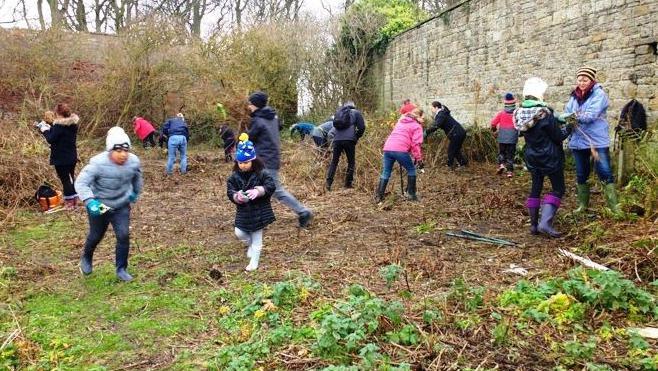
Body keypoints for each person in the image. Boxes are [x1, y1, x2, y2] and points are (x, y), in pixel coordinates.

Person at [75, 127, 143, 282]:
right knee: (96, 235)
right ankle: (86, 257)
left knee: (123, 235)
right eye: (118, 150)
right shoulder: (98, 164)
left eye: (126, 150)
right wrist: (89, 201)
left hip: (121, 205)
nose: (123, 154)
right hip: (100, 205)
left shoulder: (133, 161)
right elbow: (81, 183)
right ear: (110, 150)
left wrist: (134, 193)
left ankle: (121, 269)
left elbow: (137, 178)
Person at [514, 77, 572, 238]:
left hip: (532, 156)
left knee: (536, 188)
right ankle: (545, 223)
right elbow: (558, 136)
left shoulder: (520, 112)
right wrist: (570, 127)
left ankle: (533, 225)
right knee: (558, 188)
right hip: (549, 156)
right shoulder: (545, 114)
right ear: (539, 95)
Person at [247, 91, 313, 228]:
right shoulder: (273, 117)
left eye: (250, 103)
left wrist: (242, 134)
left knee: (275, 190)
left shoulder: (258, 121)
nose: (249, 106)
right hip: (271, 158)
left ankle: (303, 211)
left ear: (256, 105)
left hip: (264, 160)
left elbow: (249, 139)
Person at [564, 66, 620, 214]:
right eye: (580, 80)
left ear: (592, 80)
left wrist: (572, 116)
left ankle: (614, 207)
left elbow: (590, 116)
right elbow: (567, 113)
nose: (582, 83)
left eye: (585, 80)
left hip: (596, 141)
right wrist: (570, 116)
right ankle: (583, 206)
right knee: (581, 174)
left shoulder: (599, 94)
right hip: (578, 140)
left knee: (605, 172)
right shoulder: (574, 96)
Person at [227, 134, 276, 271]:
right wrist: (237, 196)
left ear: (253, 161)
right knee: (239, 233)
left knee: (257, 237)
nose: (243, 165)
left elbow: (271, 186)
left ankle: (254, 262)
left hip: (259, 211)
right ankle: (250, 246)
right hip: (243, 212)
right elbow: (230, 190)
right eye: (240, 162)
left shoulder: (262, 173)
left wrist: (259, 191)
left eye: (246, 162)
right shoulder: (234, 177)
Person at [375, 105, 424, 203]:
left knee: (386, 172)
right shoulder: (417, 126)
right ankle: (411, 195)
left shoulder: (400, 122)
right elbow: (415, 144)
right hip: (400, 150)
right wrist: (419, 158)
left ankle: (378, 197)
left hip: (388, 148)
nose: (424, 119)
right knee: (411, 170)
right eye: (423, 117)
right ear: (418, 116)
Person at [36, 104, 80, 210]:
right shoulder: (73, 124)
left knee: (65, 180)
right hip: (71, 156)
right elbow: (60, 136)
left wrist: (44, 129)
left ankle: (69, 204)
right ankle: (74, 201)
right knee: (70, 179)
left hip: (61, 157)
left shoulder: (58, 126)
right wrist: (50, 128)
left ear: (58, 113)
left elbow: (51, 139)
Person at [325, 100, 366, 190]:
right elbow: (362, 127)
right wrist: (356, 137)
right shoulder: (356, 113)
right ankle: (347, 184)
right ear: (353, 106)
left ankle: (328, 184)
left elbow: (334, 127)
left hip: (337, 140)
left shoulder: (339, 113)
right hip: (349, 140)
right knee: (351, 162)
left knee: (334, 162)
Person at [426, 101, 467, 169]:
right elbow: (436, 124)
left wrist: (426, 132)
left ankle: (450, 166)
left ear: (436, 107)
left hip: (456, 134)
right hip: (460, 132)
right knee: (456, 150)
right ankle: (463, 163)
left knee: (451, 150)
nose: (431, 109)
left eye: (431, 108)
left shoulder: (441, 114)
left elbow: (436, 126)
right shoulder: (442, 113)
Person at [490, 93, 519, 177]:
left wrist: (494, 130)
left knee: (502, 152)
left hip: (502, 137)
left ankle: (501, 165)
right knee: (510, 154)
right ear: (514, 103)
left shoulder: (501, 113)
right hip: (512, 137)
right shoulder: (516, 113)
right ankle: (509, 172)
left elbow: (493, 124)